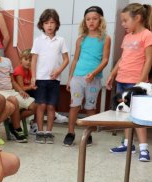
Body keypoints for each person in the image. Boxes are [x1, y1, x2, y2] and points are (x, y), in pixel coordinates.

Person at [106, 3, 152, 162]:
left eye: (125, 20)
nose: (123, 24)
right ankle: (127, 144)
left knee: (139, 116)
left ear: (137, 18)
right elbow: (123, 58)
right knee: (126, 114)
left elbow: (149, 60)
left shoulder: (148, 35)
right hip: (122, 80)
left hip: (136, 84)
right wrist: (112, 73)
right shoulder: (127, 37)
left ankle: (144, 148)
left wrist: (140, 82)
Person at [63, 6, 111, 147]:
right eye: (88, 19)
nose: (91, 22)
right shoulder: (81, 39)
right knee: (74, 106)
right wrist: (70, 78)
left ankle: (88, 134)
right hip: (78, 78)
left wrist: (94, 73)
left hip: (94, 79)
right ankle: (70, 133)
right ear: (84, 22)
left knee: (90, 107)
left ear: (100, 20)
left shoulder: (105, 38)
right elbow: (75, 59)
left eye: (95, 19)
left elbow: (105, 60)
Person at [31, 9, 69, 144]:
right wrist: (33, 76)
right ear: (42, 24)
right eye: (46, 22)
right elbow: (34, 59)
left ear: (57, 24)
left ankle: (49, 132)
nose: (49, 25)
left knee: (51, 106)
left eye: (52, 22)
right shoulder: (38, 40)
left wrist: (58, 71)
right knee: (41, 105)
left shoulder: (61, 40)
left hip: (54, 80)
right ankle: (40, 132)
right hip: (41, 79)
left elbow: (66, 59)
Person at [0, 40, 36, 143]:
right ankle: (17, 129)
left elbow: (12, 80)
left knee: (34, 106)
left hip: (11, 90)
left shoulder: (7, 61)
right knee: (14, 100)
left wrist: (20, 90)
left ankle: (12, 122)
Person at [13, 49, 38, 134]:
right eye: (26, 59)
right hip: (18, 93)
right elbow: (21, 89)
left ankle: (34, 124)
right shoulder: (19, 70)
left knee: (40, 99)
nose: (28, 62)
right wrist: (31, 86)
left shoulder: (30, 71)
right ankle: (14, 121)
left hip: (28, 92)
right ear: (21, 60)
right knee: (37, 104)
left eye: (31, 60)